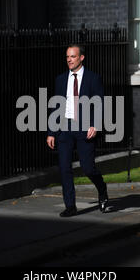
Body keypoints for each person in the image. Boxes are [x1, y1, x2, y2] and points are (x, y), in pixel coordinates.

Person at [46, 44, 108, 217]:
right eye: (67, 57)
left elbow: (99, 103)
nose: (69, 60)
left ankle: (102, 189)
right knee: (64, 168)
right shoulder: (60, 79)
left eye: (72, 56)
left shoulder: (93, 78)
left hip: (84, 128)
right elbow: (56, 106)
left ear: (81, 58)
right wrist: (51, 132)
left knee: (88, 168)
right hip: (65, 129)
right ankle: (70, 206)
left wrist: (95, 125)